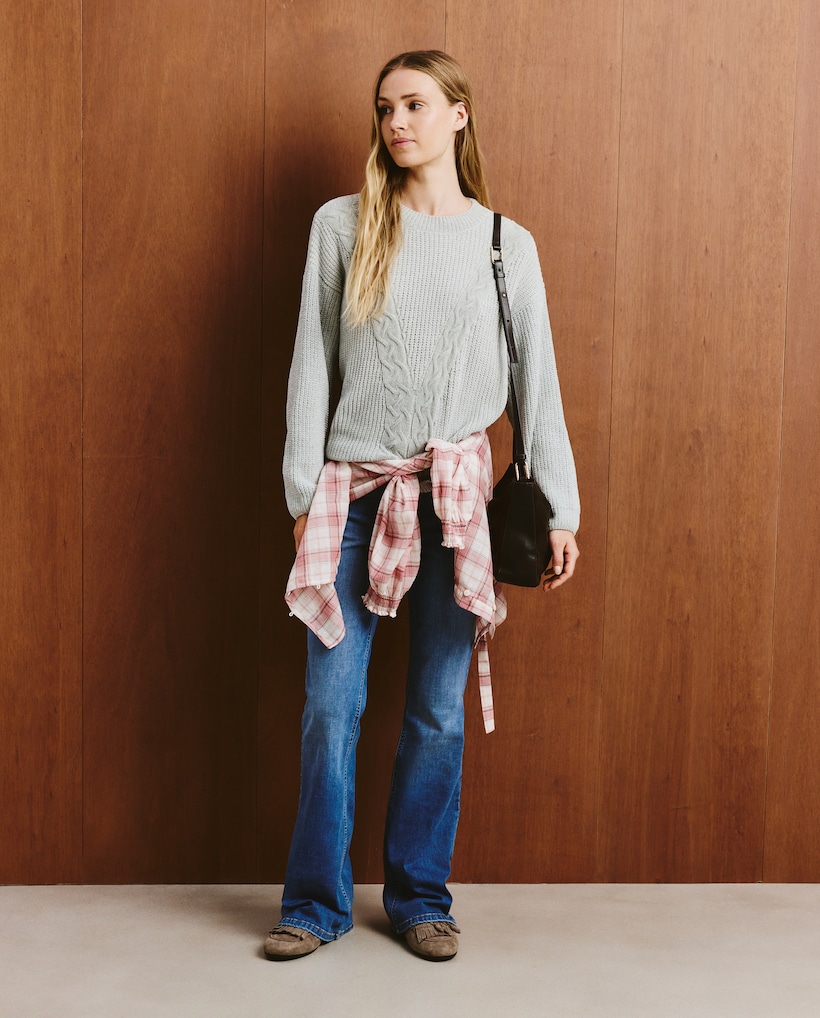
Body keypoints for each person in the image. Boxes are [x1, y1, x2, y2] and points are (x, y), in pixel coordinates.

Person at [265, 50, 580, 962]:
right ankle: (313, 906)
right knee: (331, 708)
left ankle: (419, 900)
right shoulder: (343, 225)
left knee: (438, 710)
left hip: (456, 501)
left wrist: (560, 509)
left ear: (458, 115)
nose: (396, 122)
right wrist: (302, 494)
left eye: (414, 105)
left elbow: (537, 382)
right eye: (384, 109)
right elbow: (312, 363)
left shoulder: (504, 244)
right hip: (353, 494)